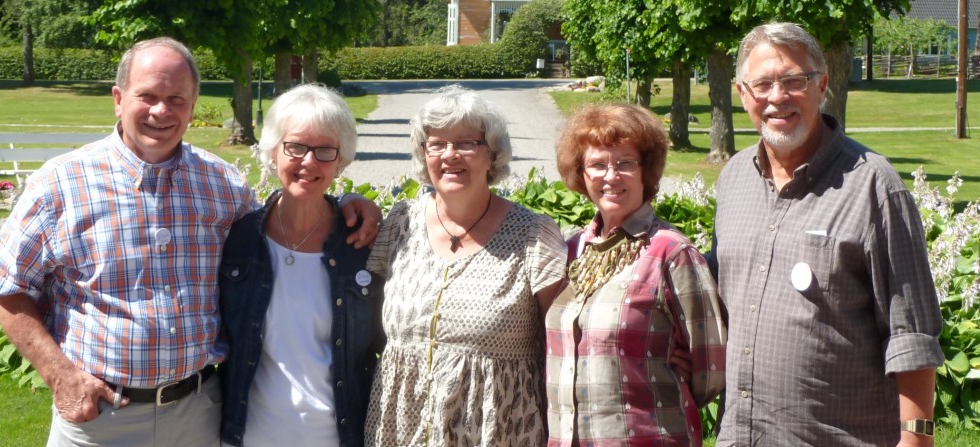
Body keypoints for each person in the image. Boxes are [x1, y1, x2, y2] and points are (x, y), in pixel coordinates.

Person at [0, 37, 378, 447]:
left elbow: (290, 214)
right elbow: (6, 285)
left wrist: (347, 201)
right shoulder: (60, 184)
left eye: (176, 98)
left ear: (193, 104)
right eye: (147, 96)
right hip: (101, 419)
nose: (161, 111)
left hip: (200, 414)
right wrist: (60, 375)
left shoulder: (222, 186)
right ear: (118, 99)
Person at [710, 22, 944, 446]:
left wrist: (917, 439)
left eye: (793, 80)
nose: (777, 97)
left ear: (822, 85)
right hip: (744, 435)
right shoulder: (733, 180)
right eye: (762, 84)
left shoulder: (874, 186)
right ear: (743, 94)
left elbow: (911, 331)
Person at [363, 85, 568, 446]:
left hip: (498, 430)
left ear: (492, 155)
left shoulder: (533, 234)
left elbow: (565, 344)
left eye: (467, 143)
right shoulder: (400, 223)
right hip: (399, 430)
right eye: (437, 144)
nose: (450, 155)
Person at [546, 103, 727, 446]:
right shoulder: (571, 250)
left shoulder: (671, 253)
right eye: (597, 164)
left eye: (625, 163)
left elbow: (711, 371)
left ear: (647, 170)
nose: (610, 176)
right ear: (581, 174)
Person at [218, 84, 384, 447]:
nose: (309, 162)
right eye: (296, 147)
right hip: (249, 436)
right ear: (273, 152)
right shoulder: (239, 239)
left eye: (325, 150)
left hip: (338, 436)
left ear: (340, 160)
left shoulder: (363, 245)